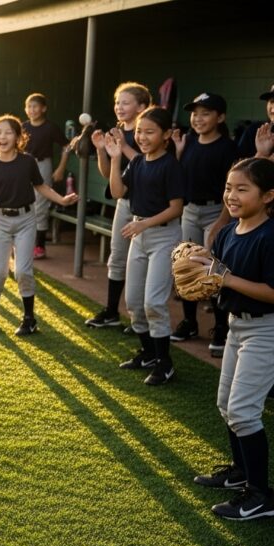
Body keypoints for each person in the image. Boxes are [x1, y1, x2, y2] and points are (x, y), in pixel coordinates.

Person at [192, 157, 274, 520]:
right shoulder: (228, 232)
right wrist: (198, 263)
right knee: (227, 404)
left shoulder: (271, 235)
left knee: (243, 409)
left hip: (266, 329)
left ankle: (260, 496)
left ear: (269, 195)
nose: (232, 195)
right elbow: (216, 275)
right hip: (237, 326)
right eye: (229, 187)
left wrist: (223, 277)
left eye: (243, 189)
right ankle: (241, 474)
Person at [0, 115, 78, 335]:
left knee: (23, 272)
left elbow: (41, 187)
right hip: (1, 221)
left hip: (27, 220)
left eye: (8, 132)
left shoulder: (27, 161)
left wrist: (61, 199)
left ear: (18, 137)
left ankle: (29, 319)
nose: (2, 137)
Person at [104, 107, 185, 385]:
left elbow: (176, 208)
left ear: (165, 136)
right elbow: (117, 193)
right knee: (134, 302)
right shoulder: (137, 162)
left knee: (154, 302)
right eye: (139, 131)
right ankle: (149, 353)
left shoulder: (170, 166)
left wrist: (143, 224)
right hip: (139, 234)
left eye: (149, 132)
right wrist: (115, 159)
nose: (142, 137)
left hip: (163, 235)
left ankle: (165, 363)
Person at [169, 93, 238, 355]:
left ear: (220, 117)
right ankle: (189, 321)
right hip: (189, 210)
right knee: (186, 264)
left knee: (213, 269)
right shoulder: (187, 143)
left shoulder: (228, 148)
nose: (198, 118)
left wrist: (223, 220)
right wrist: (177, 152)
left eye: (206, 113)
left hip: (216, 212)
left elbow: (230, 190)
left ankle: (220, 327)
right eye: (195, 113)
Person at [85, 83, 152, 330]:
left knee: (141, 264)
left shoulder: (146, 132)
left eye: (125, 102)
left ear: (142, 107)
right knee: (118, 258)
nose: (119, 107)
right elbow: (109, 175)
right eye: (117, 102)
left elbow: (148, 167)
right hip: (124, 202)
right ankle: (112, 311)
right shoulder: (116, 132)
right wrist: (102, 150)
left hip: (147, 207)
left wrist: (123, 145)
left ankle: (141, 320)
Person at [22, 93, 68, 259]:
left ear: (43, 108)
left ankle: (40, 246)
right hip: (25, 164)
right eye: (29, 106)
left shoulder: (50, 127)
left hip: (43, 165)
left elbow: (66, 146)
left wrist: (61, 168)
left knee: (40, 205)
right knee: (23, 203)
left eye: (36, 106)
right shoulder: (23, 127)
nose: (32, 110)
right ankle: (24, 243)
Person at [236, 84, 274, 159]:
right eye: (272, 102)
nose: (273, 109)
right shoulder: (255, 130)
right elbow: (237, 168)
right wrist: (261, 155)